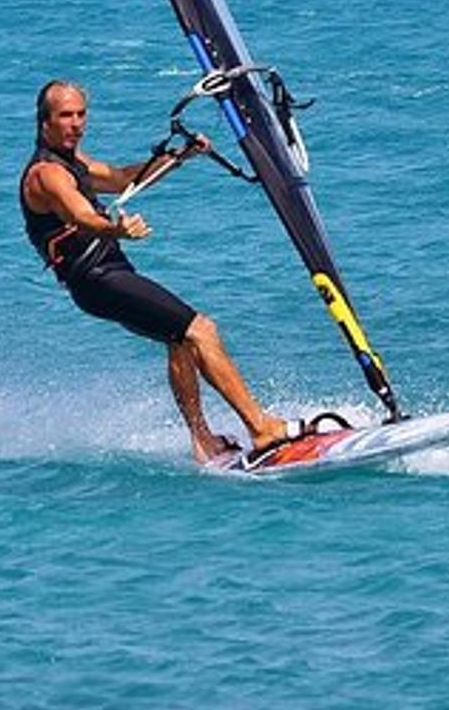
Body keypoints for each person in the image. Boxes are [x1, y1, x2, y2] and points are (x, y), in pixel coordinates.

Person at [19, 79, 292, 463]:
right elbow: (79, 215)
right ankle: (261, 428)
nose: (77, 123)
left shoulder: (74, 164)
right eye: (66, 115)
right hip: (98, 278)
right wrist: (116, 228)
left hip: (107, 273)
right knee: (200, 330)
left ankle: (202, 440)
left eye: (81, 114)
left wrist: (179, 157)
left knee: (178, 338)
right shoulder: (47, 175)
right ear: (44, 121)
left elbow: (123, 178)